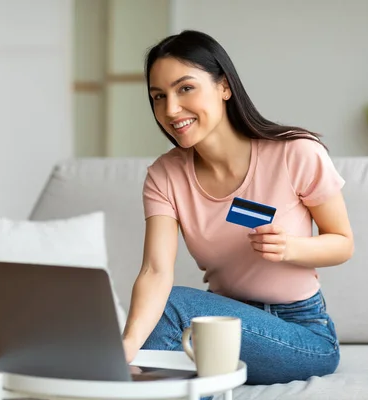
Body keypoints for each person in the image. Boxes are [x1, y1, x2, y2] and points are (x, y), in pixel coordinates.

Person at [121, 30, 354, 386]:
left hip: (301, 332)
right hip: (222, 325)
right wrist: (128, 347)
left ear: (224, 87)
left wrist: (293, 247)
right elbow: (155, 271)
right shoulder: (164, 175)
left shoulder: (296, 153)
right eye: (158, 96)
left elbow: (342, 242)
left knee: (174, 307)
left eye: (185, 88)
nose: (170, 109)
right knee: (167, 341)